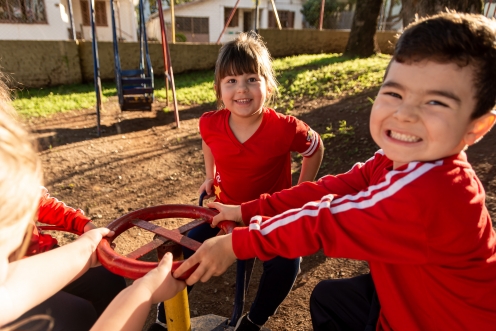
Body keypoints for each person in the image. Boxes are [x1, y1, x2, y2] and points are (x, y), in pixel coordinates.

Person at [175, 12, 496, 331]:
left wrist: (236, 244)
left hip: (450, 320)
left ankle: (255, 320)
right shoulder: (391, 162)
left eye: (437, 102)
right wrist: (244, 210)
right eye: (395, 93)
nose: (405, 114)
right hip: (411, 296)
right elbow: (324, 192)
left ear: (476, 126)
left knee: (309, 281)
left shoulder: (433, 192)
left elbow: (323, 221)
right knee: (330, 299)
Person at [155, 32, 324, 330]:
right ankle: (164, 318)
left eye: (251, 79)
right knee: (186, 249)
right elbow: (208, 142)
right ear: (219, 89)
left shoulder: (285, 129)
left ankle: (254, 320)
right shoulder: (211, 122)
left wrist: (300, 192)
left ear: (268, 86)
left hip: (270, 214)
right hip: (224, 209)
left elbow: (315, 147)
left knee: (287, 263)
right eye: (231, 81)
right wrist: (210, 175)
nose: (241, 89)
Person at [0, 77, 186, 331]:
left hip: (33, 266)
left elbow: (36, 202)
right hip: (20, 289)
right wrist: (145, 291)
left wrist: (84, 231)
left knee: (105, 277)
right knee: (77, 314)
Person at [6, 186, 128, 331]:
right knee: (77, 314)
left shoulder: (9, 173)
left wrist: (83, 223)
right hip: (11, 279)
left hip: (42, 255)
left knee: (109, 280)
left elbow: (33, 200)